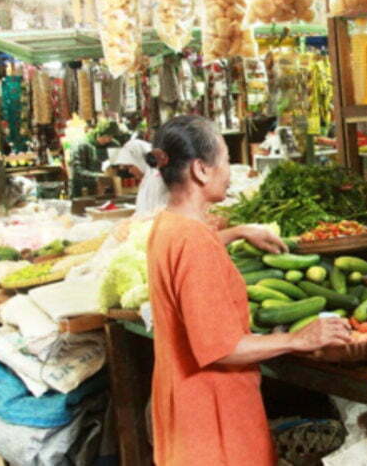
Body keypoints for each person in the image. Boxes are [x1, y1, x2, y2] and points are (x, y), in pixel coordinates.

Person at [146, 115, 352, 466]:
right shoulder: (194, 243)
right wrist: (297, 339)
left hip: (183, 405)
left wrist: (238, 231)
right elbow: (221, 349)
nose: (230, 170)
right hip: (213, 416)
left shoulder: (168, 225)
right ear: (200, 170)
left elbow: (189, 253)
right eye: (226, 159)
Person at [113, 135, 170, 216]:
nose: (130, 171)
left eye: (131, 166)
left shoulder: (158, 180)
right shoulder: (147, 179)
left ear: (140, 161)